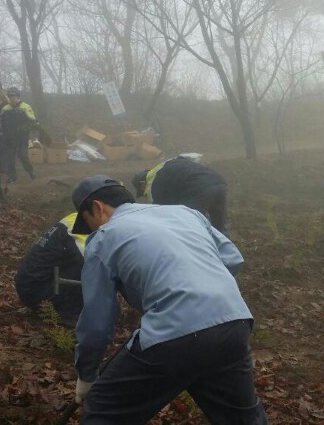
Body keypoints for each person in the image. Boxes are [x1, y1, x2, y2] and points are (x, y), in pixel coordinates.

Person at [69, 175, 266, 424]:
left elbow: (97, 322)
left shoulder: (104, 238)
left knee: (103, 410)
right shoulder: (184, 213)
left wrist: (86, 376)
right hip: (233, 323)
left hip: (175, 335)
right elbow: (233, 259)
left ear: (97, 207)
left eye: (89, 223)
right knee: (241, 418)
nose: (92, 231)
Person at [14, 213, 88, 326]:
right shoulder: (80, 226)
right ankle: (69, 315)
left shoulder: (75, 218)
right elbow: (89, 263)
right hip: (38, 290)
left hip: (30, 285)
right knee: (91, 270)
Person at [132, 156, 230, 235]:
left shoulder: (153, 183)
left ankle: (198, 253)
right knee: (220, 226)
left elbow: (160, 211)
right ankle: (228, 256)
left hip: (198, 187)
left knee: (190, 225)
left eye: (142, 190)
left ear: (142, 183)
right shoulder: (165, 167)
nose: (144, 193)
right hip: (219, 182)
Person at [0, 87, 37, 183]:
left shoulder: (25, 107)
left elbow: (33, 120)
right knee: (10, 159)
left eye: (13, 96)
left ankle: (30, 170)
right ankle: (12, 177)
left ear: (18, 96)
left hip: (22, 138)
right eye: (10, 96)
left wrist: (28, 127)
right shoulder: (5, 109)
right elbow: (1, 123)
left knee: (22, 156)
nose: (11, 98)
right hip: (9, 138)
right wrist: (1, 133)